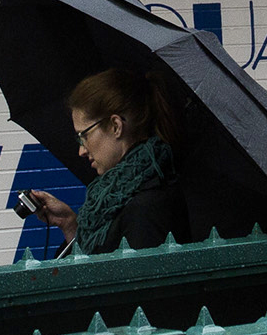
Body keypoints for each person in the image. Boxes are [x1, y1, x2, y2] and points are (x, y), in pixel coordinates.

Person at [13, 69, 187, 254]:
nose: (81, 150)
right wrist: (71, 226)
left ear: (115, 126)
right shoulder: (115, 198)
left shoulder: (147, 205)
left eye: (84, 135)